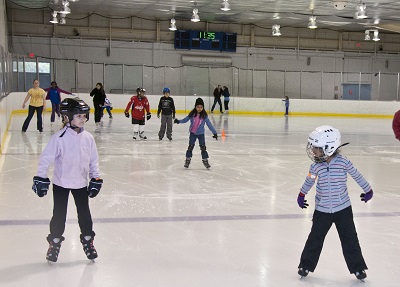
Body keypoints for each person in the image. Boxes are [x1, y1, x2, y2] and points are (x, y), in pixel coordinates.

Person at [297, 125, 373, 281]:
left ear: (329, 147)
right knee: (315, 238)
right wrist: (302, 193)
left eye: (317, 148)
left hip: (343, 209)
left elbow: (356, 175)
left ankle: (358, 268)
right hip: (322, 210)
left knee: (350, 238)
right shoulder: (315, 166)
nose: (314, 151)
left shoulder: (343, 162)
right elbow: (309, 181)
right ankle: (305, 265)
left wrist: (368, 189)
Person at [32, 98, 103, 263]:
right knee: (59, 215)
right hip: (61, 184)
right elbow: (46, 159)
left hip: (80, 184)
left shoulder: (88, 138)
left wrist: (95, 177)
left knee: (85, 215)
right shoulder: (59, 137)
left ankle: (88, 241)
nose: (83, 119)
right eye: (78, 116)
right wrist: (41, 177)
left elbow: (94, 160)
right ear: (67, 117)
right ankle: (54, 243)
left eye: (84, 116)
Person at [174, 97, 218, 169]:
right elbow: (185, 120)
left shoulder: (204, 116)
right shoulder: (192, 114)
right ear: (195, 107)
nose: (199, 108)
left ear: (203, 107)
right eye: (198, 107)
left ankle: (205, 160)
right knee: (190, 147)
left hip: (201, 134)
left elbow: (209, 124)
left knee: (203, 148)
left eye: (201, 107)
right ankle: (187, 160)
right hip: (193, 133)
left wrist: (215, 133)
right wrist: (178, 121)